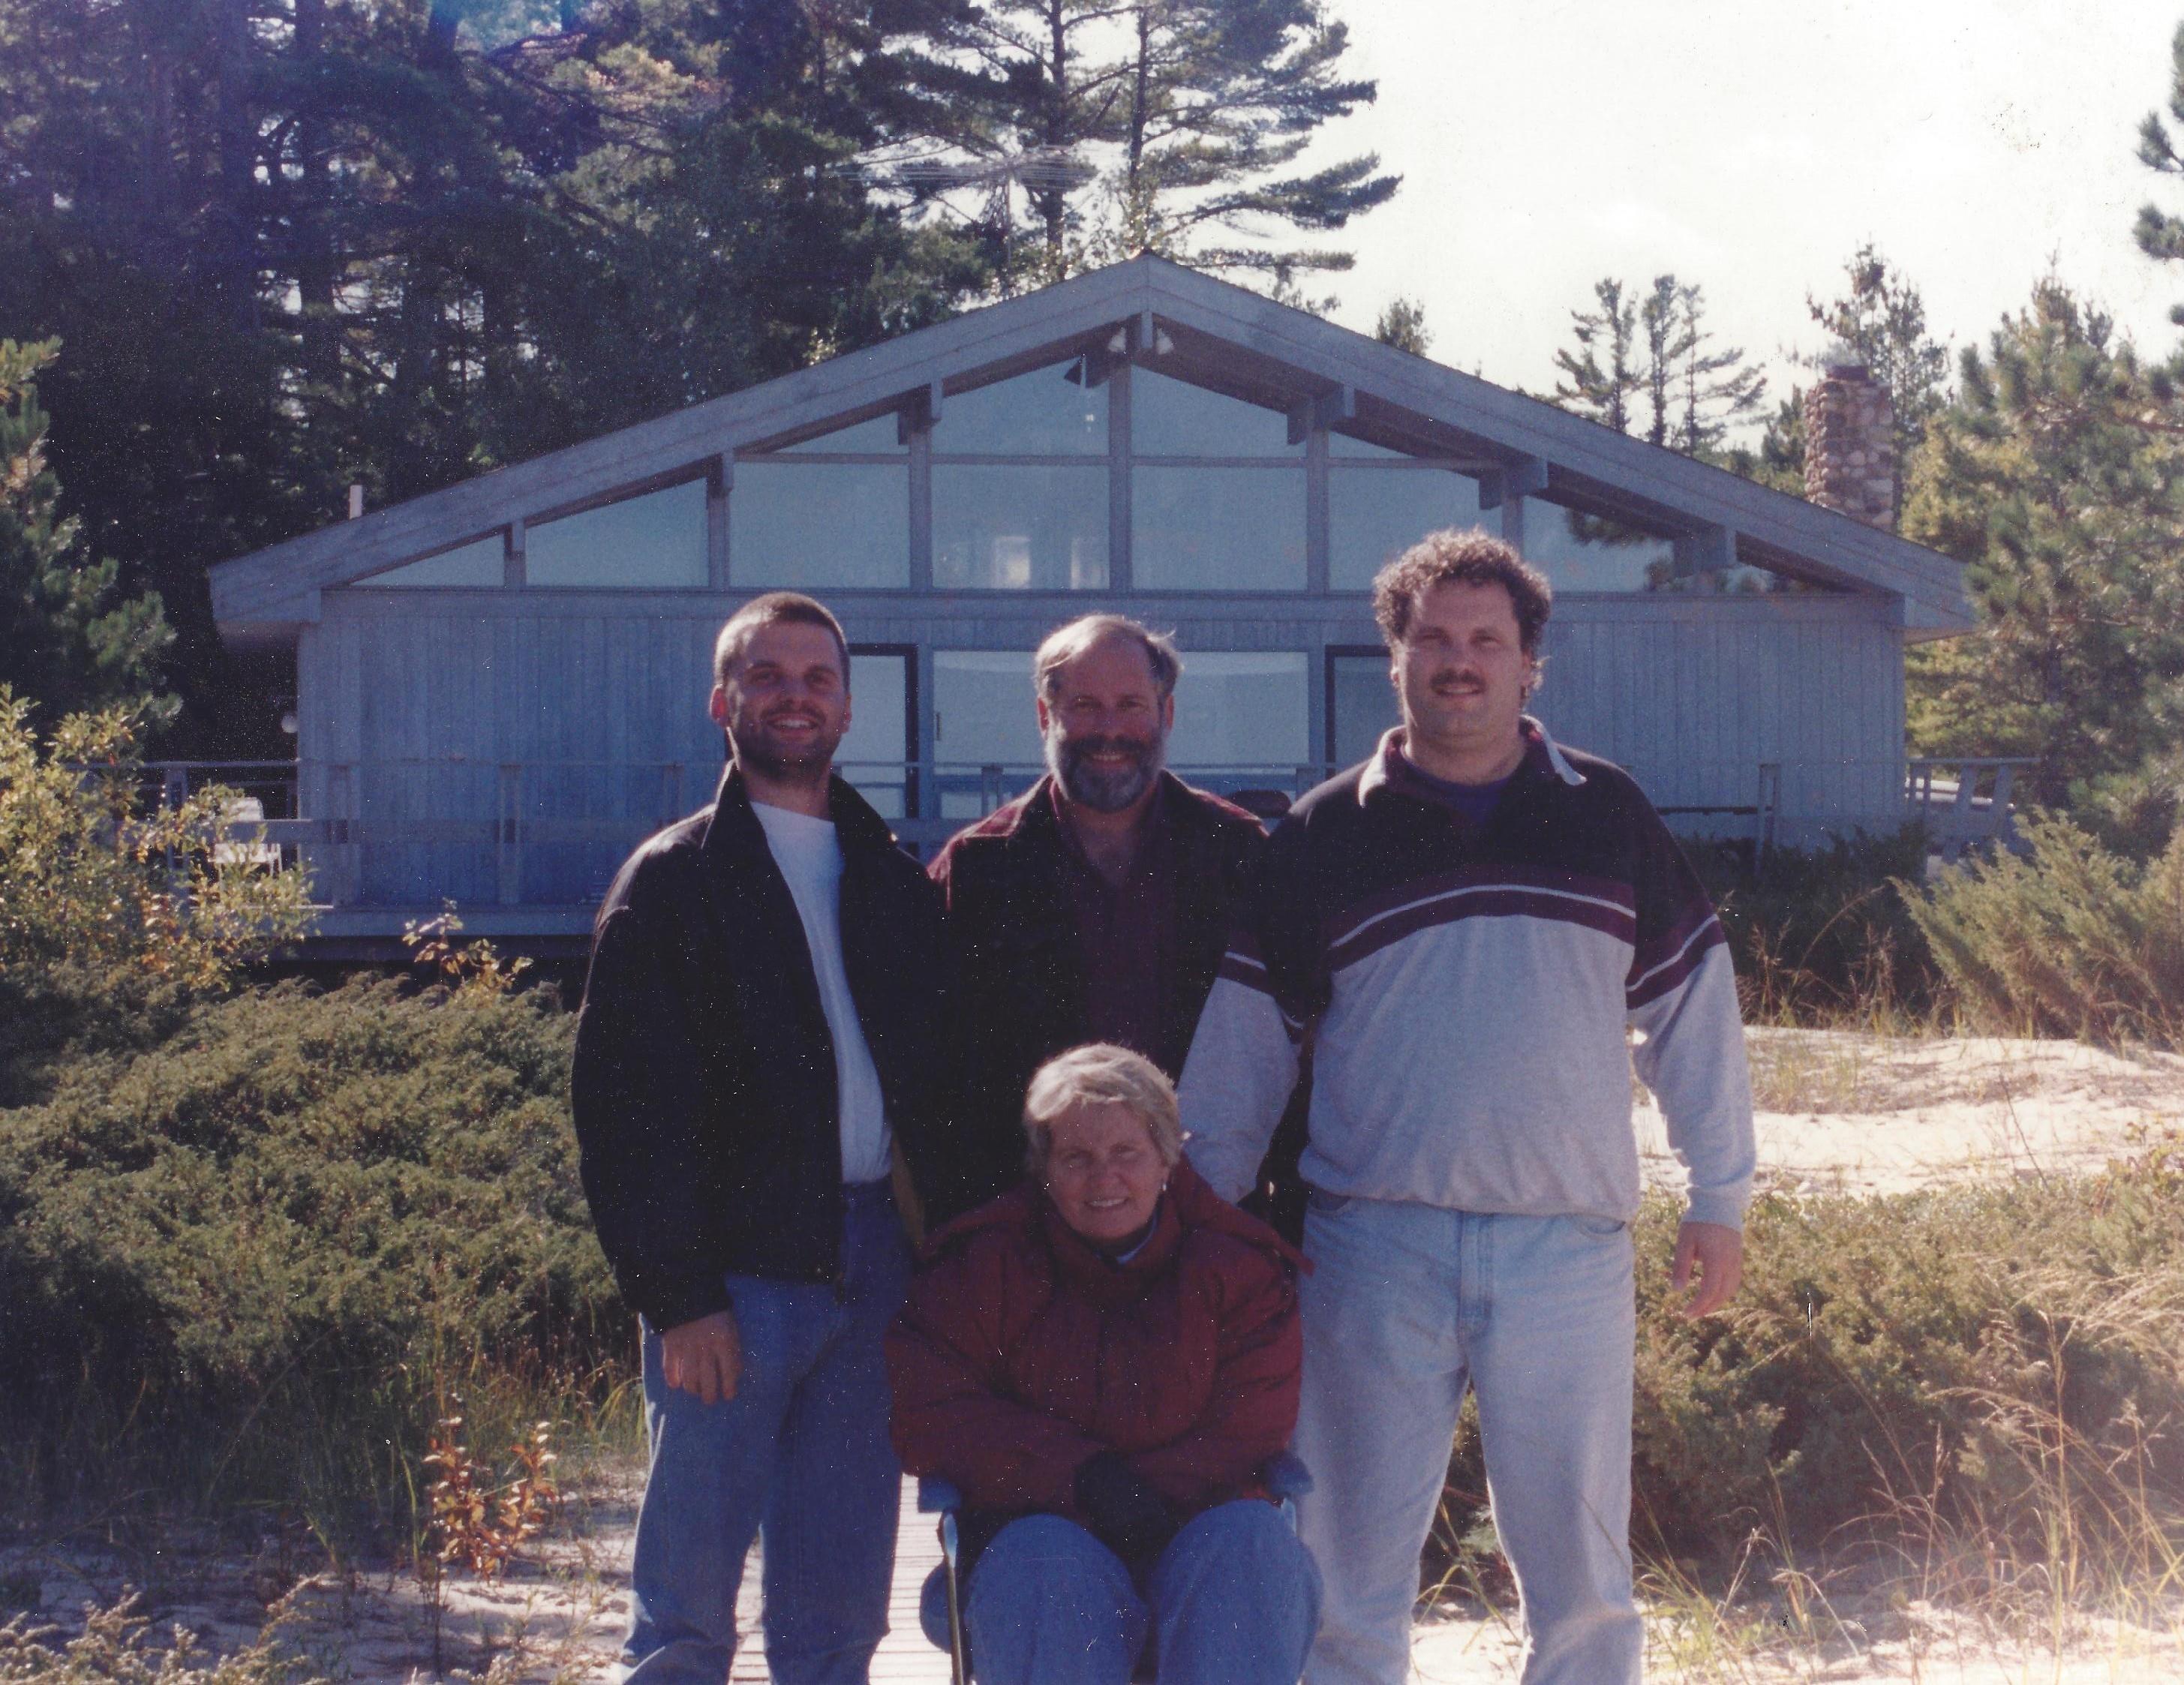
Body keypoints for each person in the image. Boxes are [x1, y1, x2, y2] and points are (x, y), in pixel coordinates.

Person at [1177, 529, 1756, 1685]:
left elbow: (1692, 1012)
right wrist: (1199, 1216)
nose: (1458, 661)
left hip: (1567, 1251)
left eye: (1485, 639)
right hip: (1368, 1248)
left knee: (1585, 1594)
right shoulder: (1322, 830)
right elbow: (1243, 1050)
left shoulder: (1609, 813)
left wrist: (1720, 1193)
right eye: (1431, 638)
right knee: (1342, 1587)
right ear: (1392, 657)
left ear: (1528, 662)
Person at [570, 591, 954, 1685]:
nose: (795, 695)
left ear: (847, 704)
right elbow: (622, 1111)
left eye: (817, 677)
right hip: (731, 1283)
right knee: (685, 1614)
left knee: (835, 1617)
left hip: (871, 1264)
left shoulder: (887, 874)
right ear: (721, 702)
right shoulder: (673, 879)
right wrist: (676, 1294)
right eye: (768, 676)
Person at [888, 1043, 1320, 1685]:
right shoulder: (980, 1265)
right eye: (1075, 1159)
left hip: (1192, 1529)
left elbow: (1251, 1425)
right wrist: (1082, 1475)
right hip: (1038, 1532)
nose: (1104, 1180)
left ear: (1167, 1158)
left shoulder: (1237, 1268)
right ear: (1042, 1169)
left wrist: (1143, 1493)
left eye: (1126, 1154)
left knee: (1252, 1544)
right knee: (1045, 1562)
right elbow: (931, 1413)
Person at [927, 615, 1269, 1223]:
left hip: (1204, 1224)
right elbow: (938, 1078)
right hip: (1029, 1231)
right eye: (1084, 705)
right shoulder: (976, 868)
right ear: (1044, 716)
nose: (1109, 729)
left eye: (1130, 704)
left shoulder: (1237, 855)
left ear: (1166, 714)